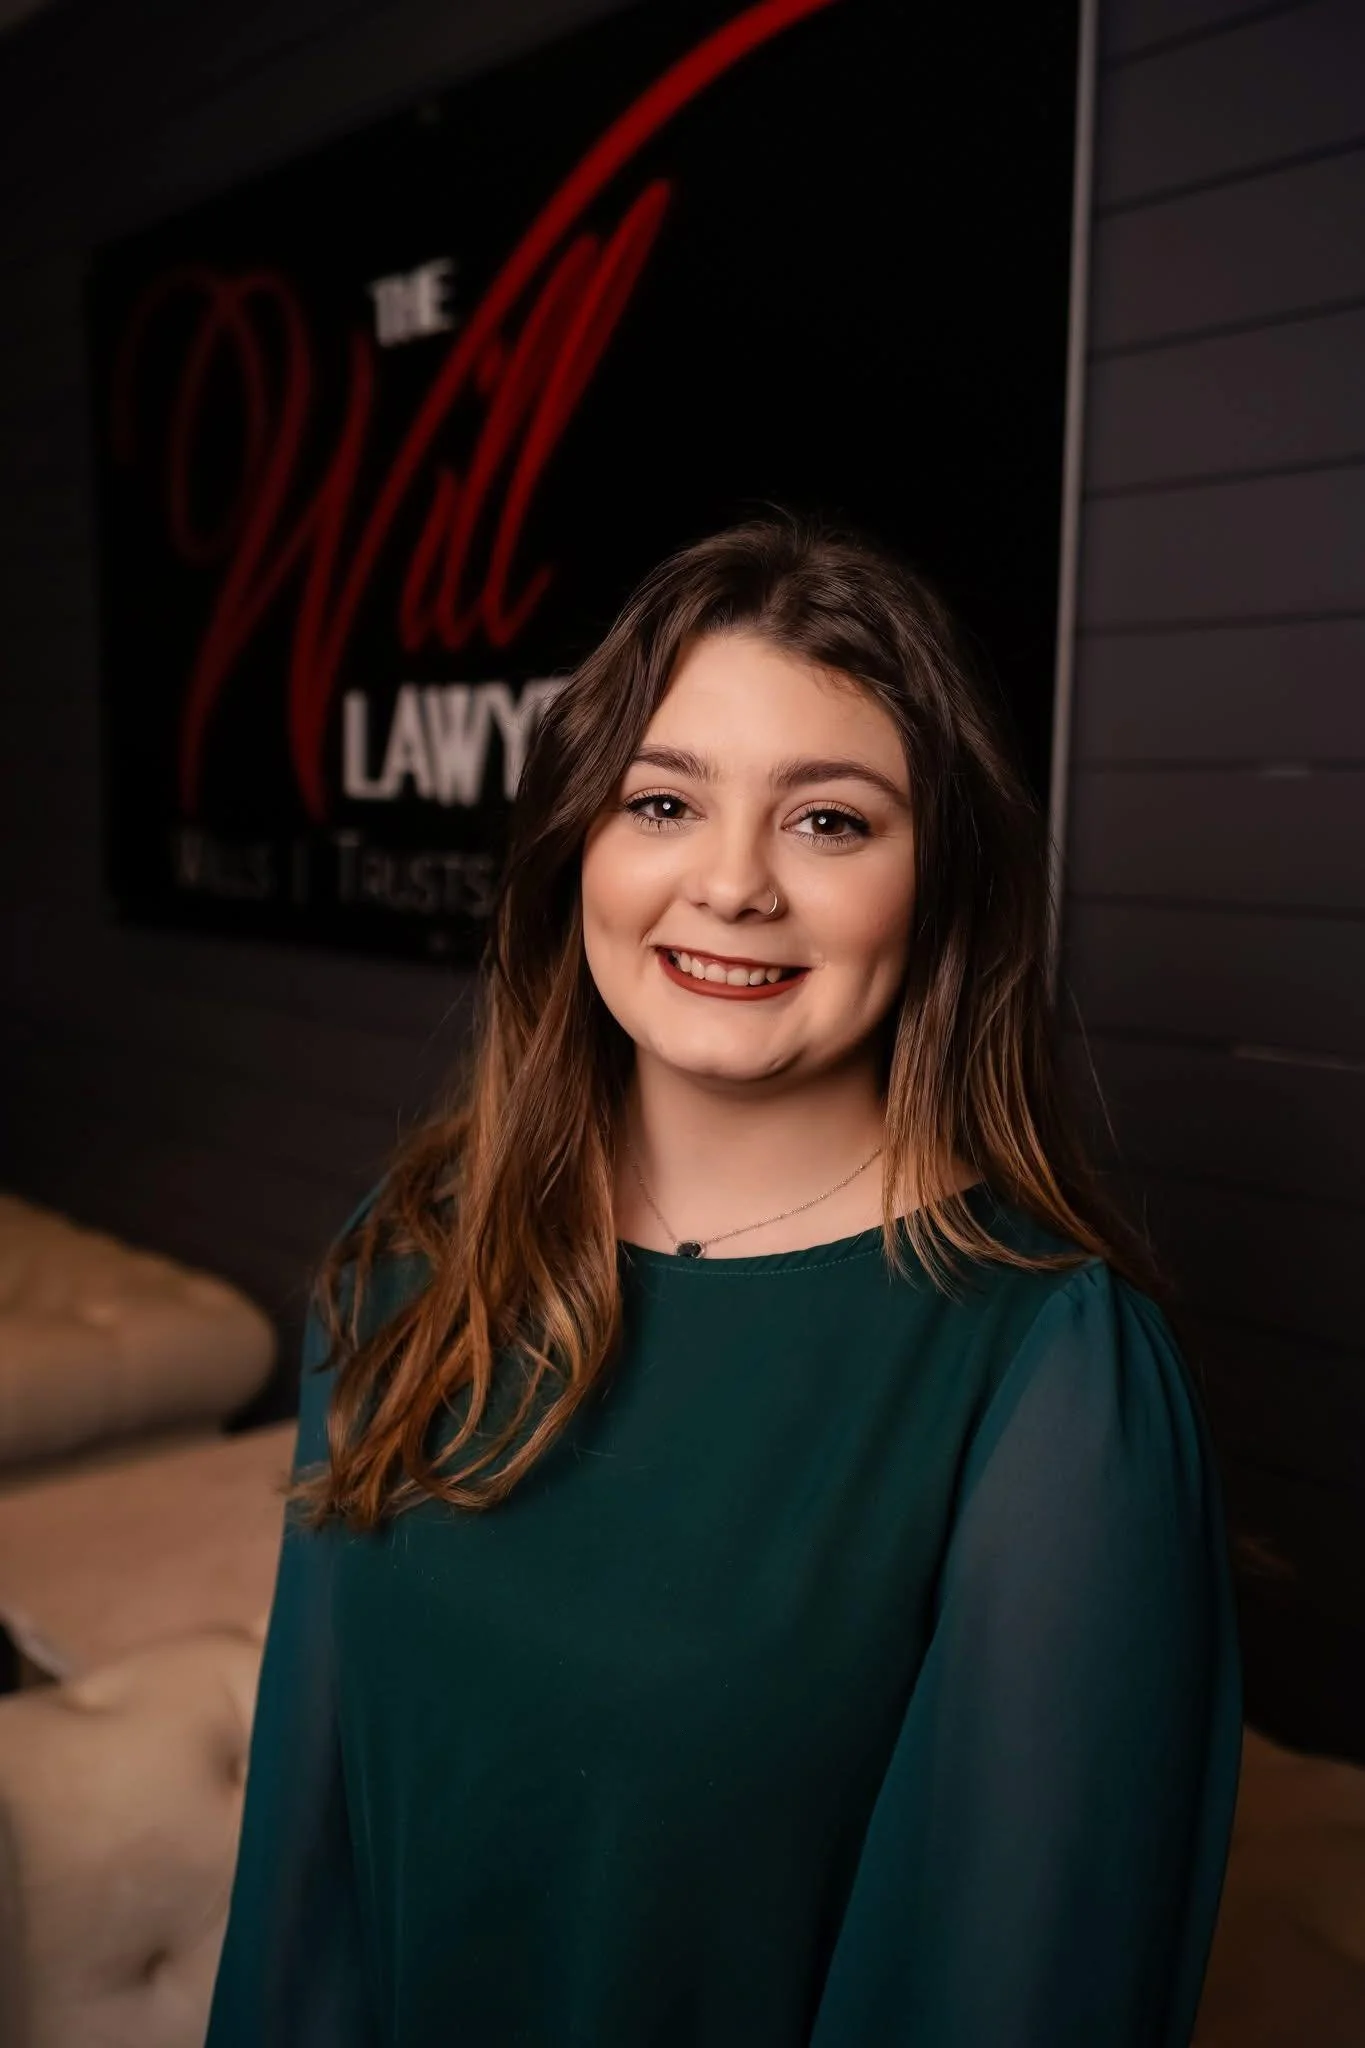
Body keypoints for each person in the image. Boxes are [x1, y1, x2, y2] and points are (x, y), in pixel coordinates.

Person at [206, 518, 1241, 2048]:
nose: (734, 884)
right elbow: (305, 1885)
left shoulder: (1055, 1375)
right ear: (580, 849)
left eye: (830, 823)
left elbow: (1012, 1995)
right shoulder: (413, 1255)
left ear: (938, 885)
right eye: (664, 801)